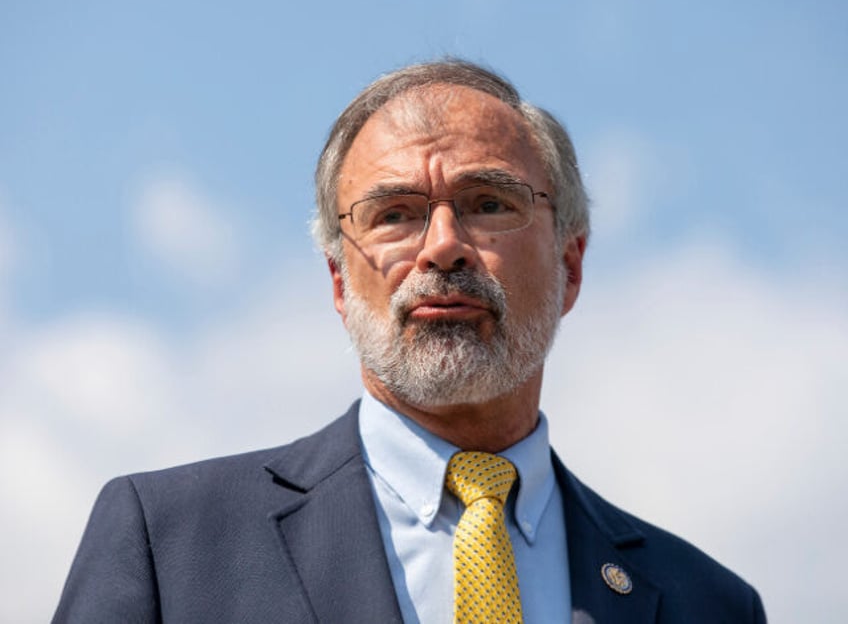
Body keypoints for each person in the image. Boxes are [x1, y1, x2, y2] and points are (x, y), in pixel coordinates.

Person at [53, 59, 766, 623]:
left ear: (570, 265)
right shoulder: (168, 545)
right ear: (338, 279)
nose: (445, 247)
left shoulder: (710, 604)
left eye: (490, 204)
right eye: (395, 214)